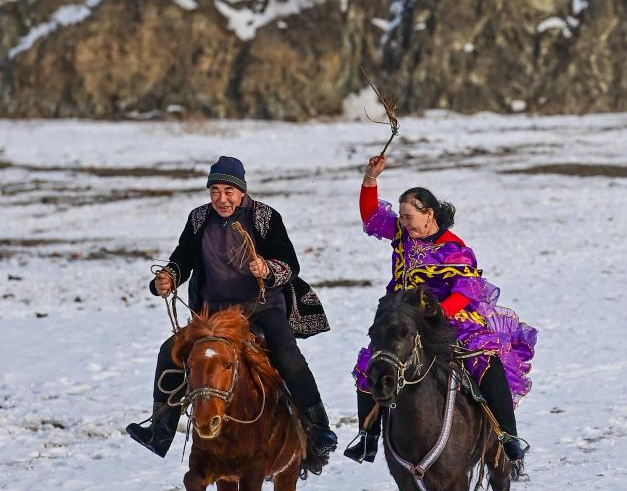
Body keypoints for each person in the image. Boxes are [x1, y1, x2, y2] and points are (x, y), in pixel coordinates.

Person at [127, 156, 337, 462]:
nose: (221, 198)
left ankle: (319, 430)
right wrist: (168, 277)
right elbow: (182, 258)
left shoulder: (265, 217)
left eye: (228, 191)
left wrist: (267, 267)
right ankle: (159, 433)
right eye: (215, 191)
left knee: (287, 354)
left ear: (241, 192)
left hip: (260, 308)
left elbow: (290, 264)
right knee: (169, 351)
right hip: (212, 315)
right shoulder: (199, 219)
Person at [344, 153, 536, 465]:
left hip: (449, 317)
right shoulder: (401, 234)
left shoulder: (454, 248)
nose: (403, 223)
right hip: (404, 313)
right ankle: (368, 436)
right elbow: (370, 216)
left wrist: (435, 314)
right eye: (402, 217)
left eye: (409, 217)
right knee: (373, 361)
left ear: (428, 214)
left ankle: (507, 435)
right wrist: (370, 179)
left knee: (483, 359)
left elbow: (465, 292)